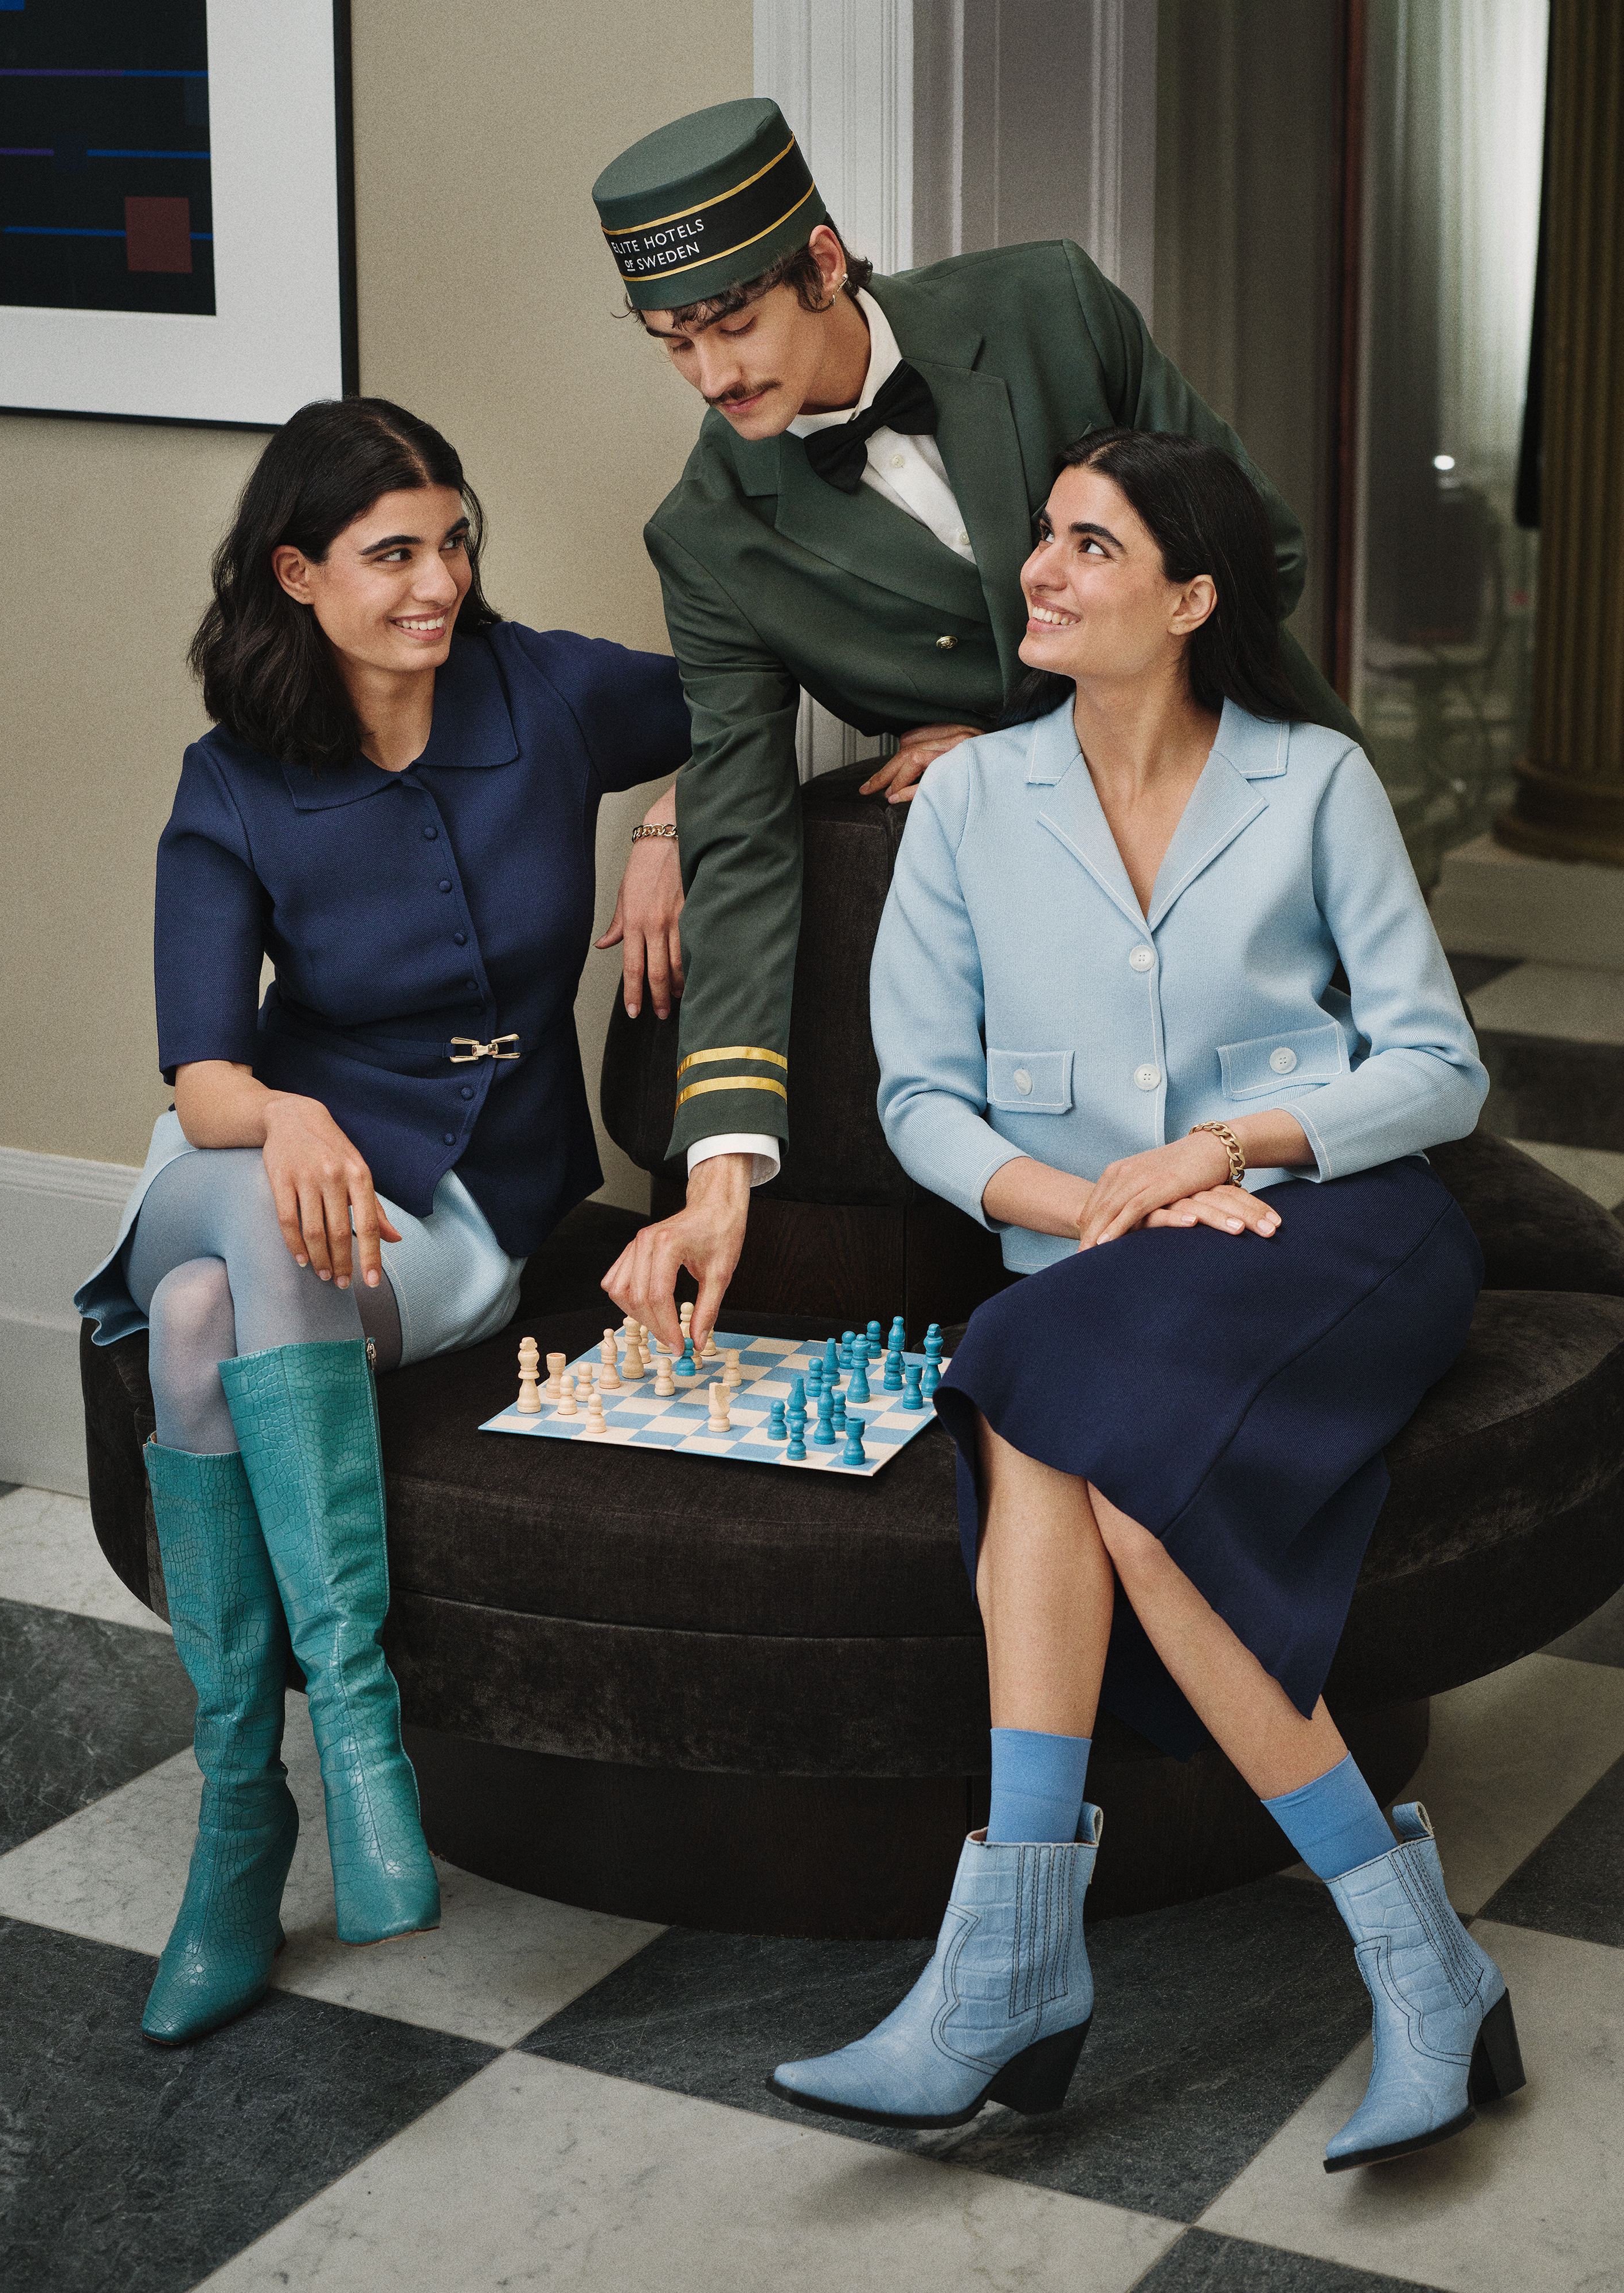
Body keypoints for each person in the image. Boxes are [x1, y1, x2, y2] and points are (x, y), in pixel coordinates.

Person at [766, 429, 1525, 2173]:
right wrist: (1106, 1203)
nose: (1043, 567)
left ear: (1189, 600)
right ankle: (1414, 1966)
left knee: (1046, 1389)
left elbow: (1436, 1069)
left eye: (1091, 546)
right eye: (1045, 536)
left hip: (1332, 1228)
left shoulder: (1312, 780)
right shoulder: (966, 801)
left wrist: (1220, 1149)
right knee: (1056, 1372)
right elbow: (921, 1104)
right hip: (1104, 1268)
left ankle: (1018, 1979)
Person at [75, 397, 691, 2045]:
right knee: (250, 1225)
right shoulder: (234, 783)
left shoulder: (546, 694)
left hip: (463, 1211)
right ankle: (353, 1744)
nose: (439, 581)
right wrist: (291, 1114)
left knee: (202, 1321)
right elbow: (207, 1078)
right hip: (244, 1169)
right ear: (298, 573)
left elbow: (744, 697)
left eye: (455, 539)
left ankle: (241, 1823)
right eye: (393, 552)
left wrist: (671, 824)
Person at [586, 96, 1368, 1359]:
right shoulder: (709, 533)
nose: (713, 375)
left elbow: (1256, 546)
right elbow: (742, 824)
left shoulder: (1052, 306)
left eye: (735, 323)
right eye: (675, 343)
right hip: (1064, 966)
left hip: (1254, 820)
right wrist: (717, 1168)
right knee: (1137, 1315)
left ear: (825, 265)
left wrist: (1029, 727)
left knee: (1344, 1203)